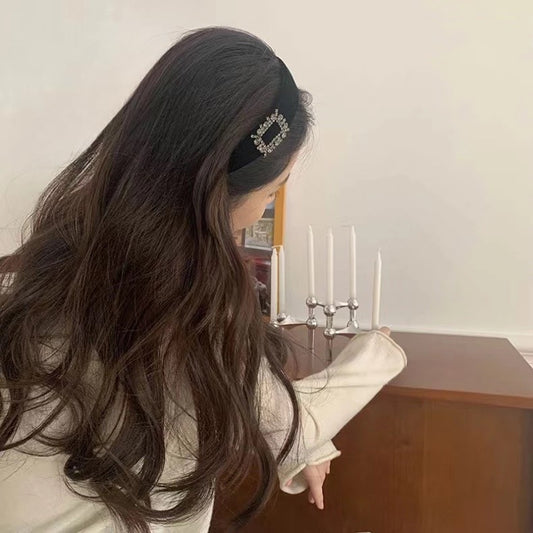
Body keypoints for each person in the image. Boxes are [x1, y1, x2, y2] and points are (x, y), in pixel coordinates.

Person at [0, 26, 406, 532]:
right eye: (273, 191)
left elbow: (278, 419)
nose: (268, 205)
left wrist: (305, 446)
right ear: (222, 196)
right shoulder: (194, 309)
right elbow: (294, 425)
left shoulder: (43, 264)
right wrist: (378, 352)